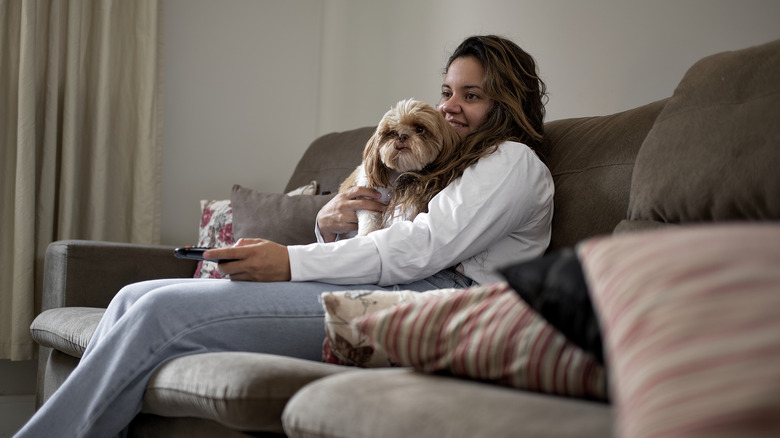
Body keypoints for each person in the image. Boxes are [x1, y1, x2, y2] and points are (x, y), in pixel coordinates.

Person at [15, 35, 554, 438]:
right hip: (394, 289)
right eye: (446, 91)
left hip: (434, 312)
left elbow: (420, 251)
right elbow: (381, 243)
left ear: (506, 102)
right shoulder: (441, 161)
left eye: (472, 95)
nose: (449, 106)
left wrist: (289, 261)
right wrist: (329, 222)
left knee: (161, 313)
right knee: (134, 295)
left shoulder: (513, 161)